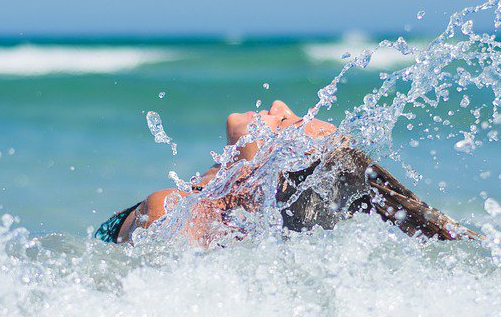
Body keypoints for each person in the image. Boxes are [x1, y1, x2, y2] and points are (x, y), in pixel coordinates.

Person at [95, 100, 478, 245]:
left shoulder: (178, 210)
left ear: (280, 168)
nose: (278, 105)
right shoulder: (211, 198)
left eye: (287, 121)